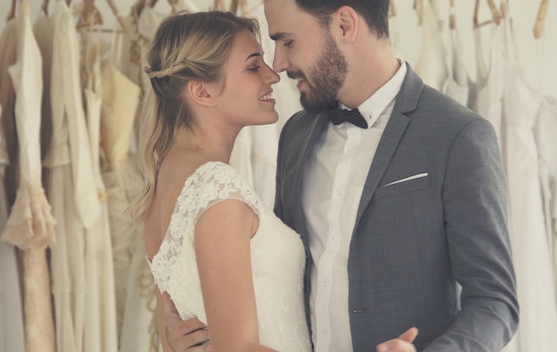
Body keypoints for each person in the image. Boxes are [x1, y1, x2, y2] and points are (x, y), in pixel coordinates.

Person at [164, 0, 520, 351]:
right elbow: (275, 274)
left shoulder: (457, 134)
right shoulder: (296, 135)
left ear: (345, 25)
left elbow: (494, 301)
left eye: (287, 41)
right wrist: (199, 333)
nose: (279, 63)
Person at [135, 10, 312, 352]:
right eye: (252, 66)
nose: (273, 76)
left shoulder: (163, 182)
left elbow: (173, 337)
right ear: (202, 92)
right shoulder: (216, 185)